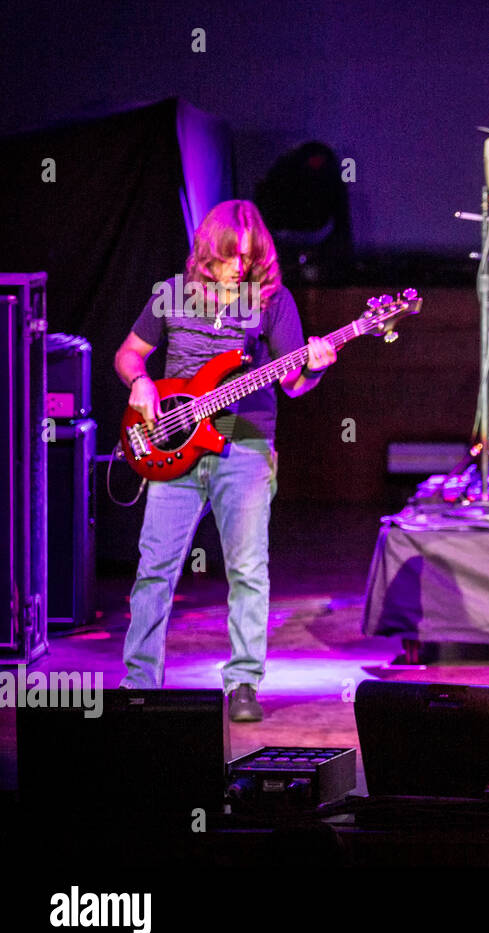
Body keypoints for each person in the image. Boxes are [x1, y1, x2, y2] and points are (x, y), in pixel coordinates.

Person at [115, 199, 336, 721]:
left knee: (247, 568)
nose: (239, 266)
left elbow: (293, 382)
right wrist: (140, 382)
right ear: (207, 251)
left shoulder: (271, 302)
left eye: (249, 257)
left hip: (244, 440)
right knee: (155, 568)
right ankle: (139, 681)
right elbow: (128, 353)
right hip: (172, 441)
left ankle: (242, 683)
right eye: (230, 256)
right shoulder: (171, 295)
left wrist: (318, 365)